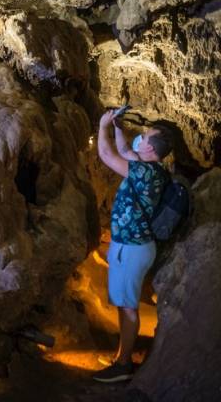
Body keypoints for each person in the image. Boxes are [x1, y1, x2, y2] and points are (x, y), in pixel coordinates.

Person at [92, 109, 173, 383]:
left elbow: (107, 155)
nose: (140, 137)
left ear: (150, 147)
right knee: (123, 303)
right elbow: (125, 150)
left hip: (133, 247)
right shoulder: (149, 167)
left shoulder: (146, 173)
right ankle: (120, 356)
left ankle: (124, 365)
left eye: (145, 136)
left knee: (127, 307)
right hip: (131, 246)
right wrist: (116, 127)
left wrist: (102, 126)